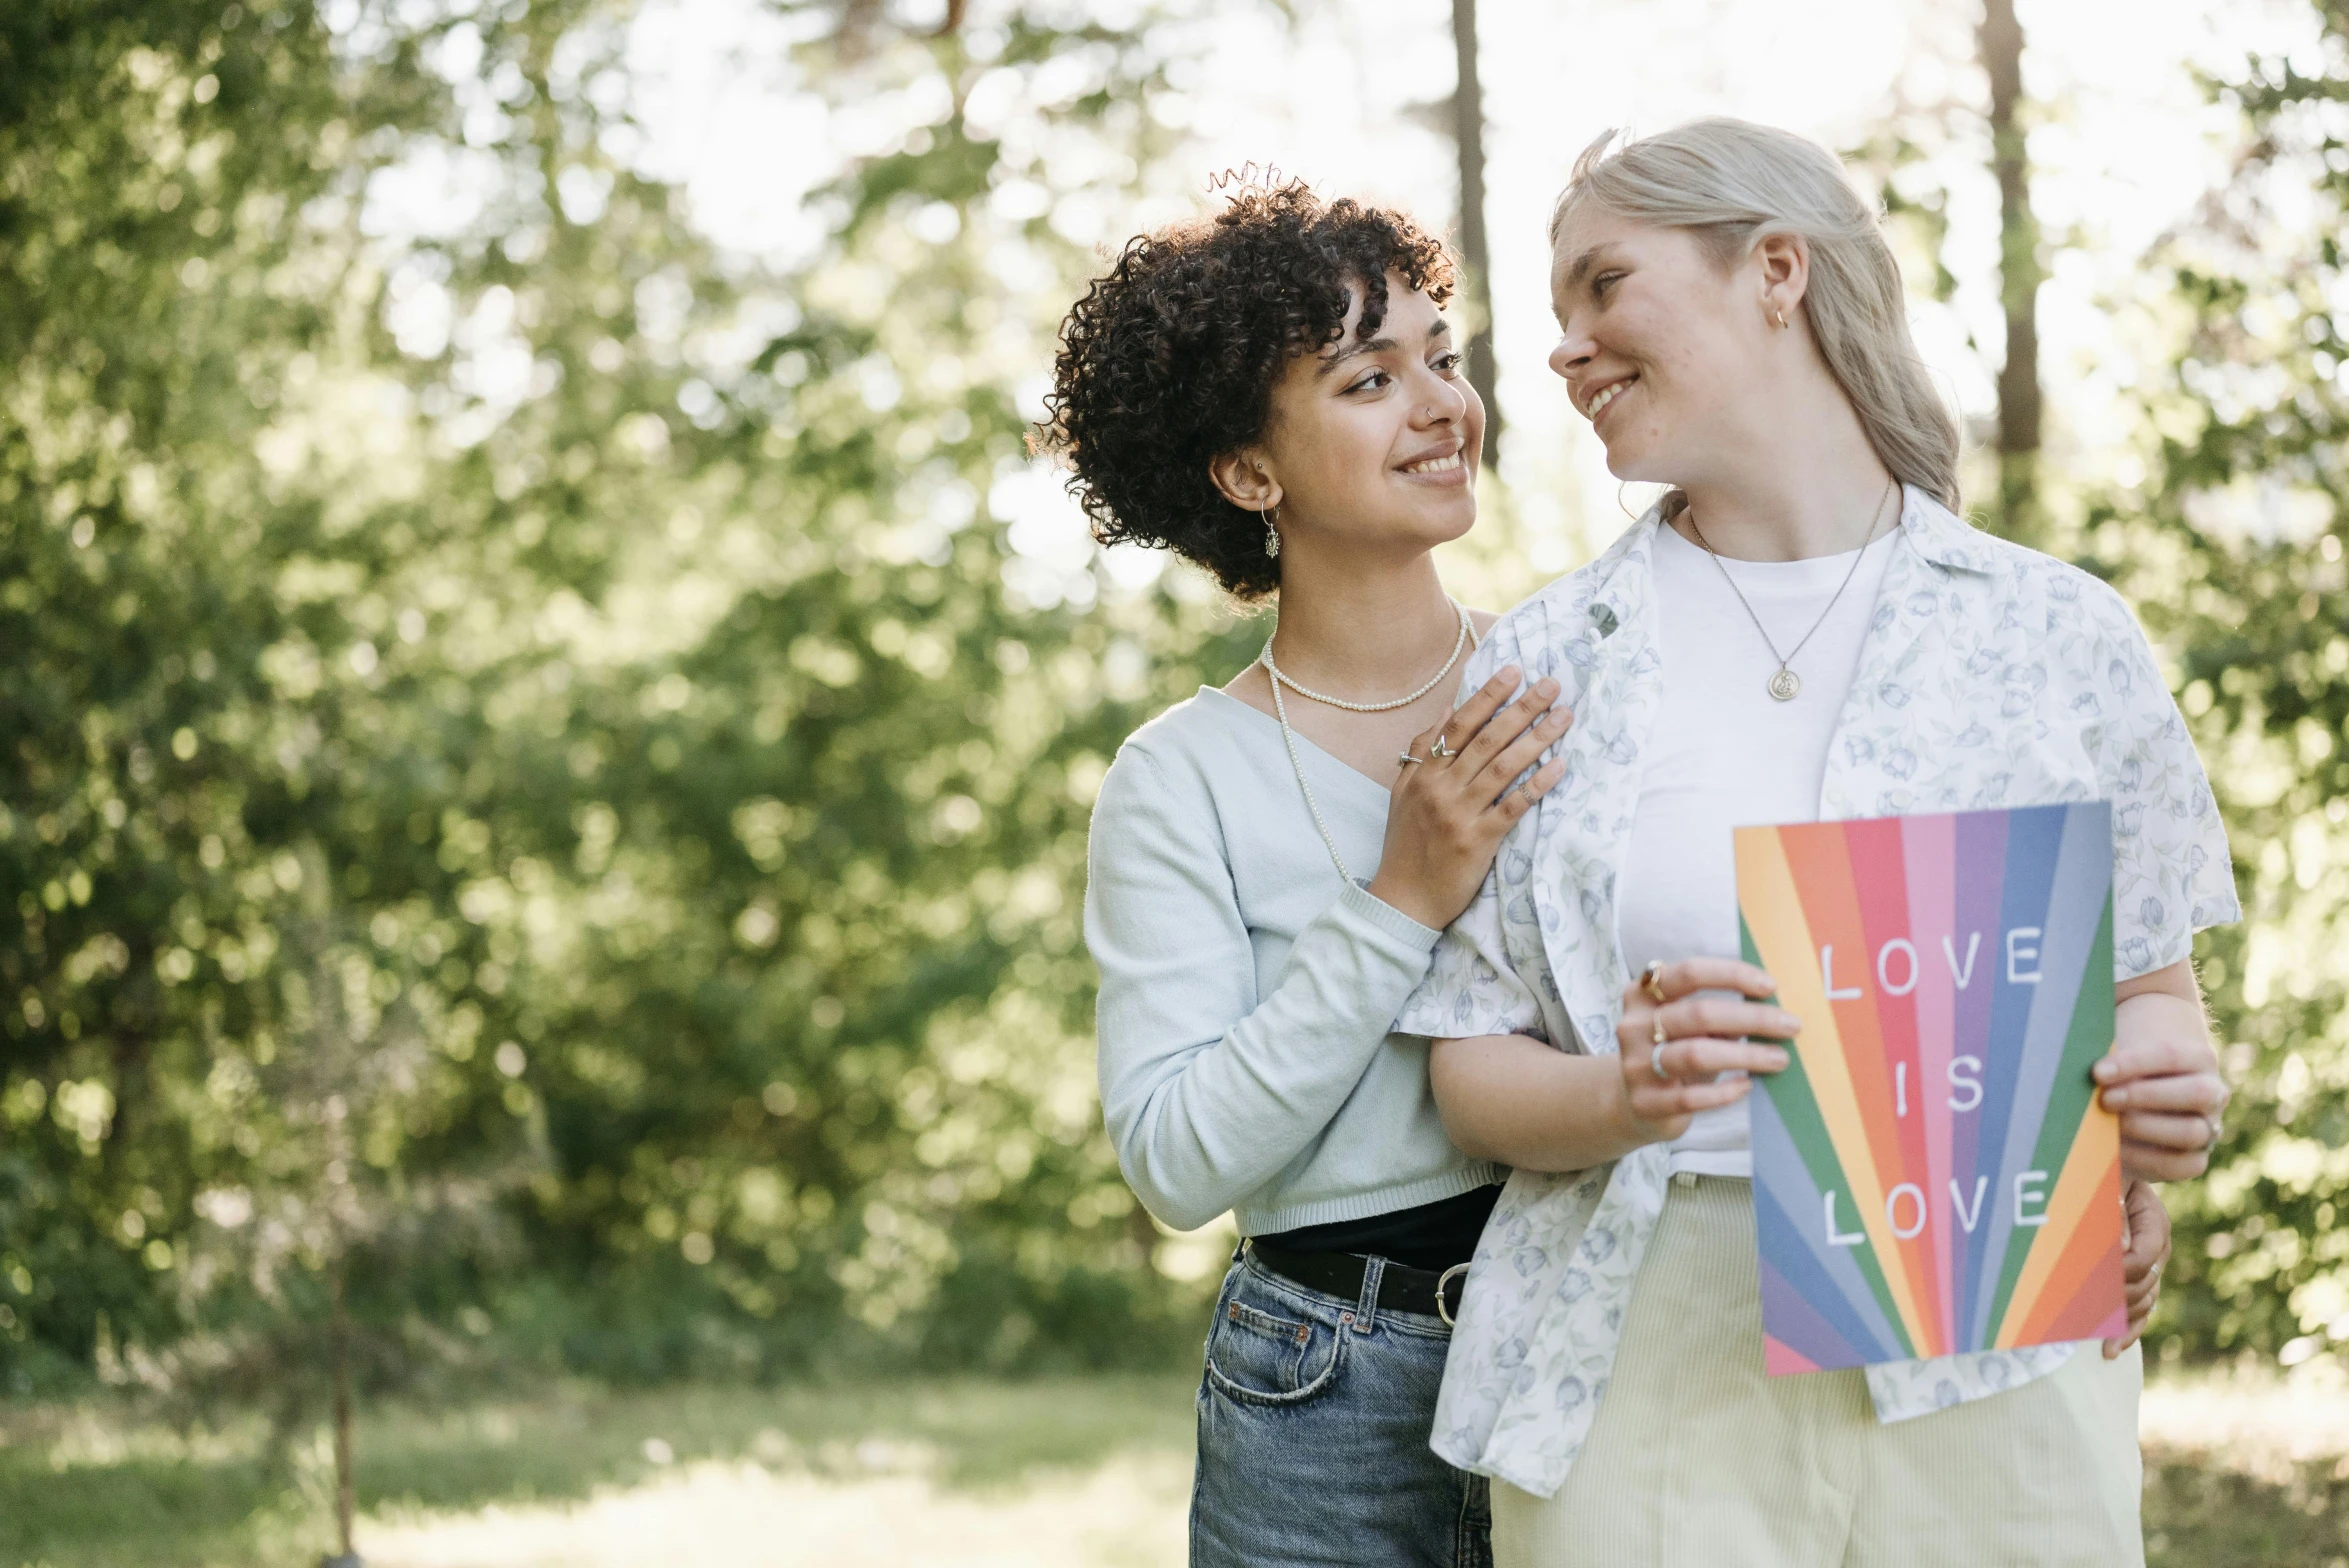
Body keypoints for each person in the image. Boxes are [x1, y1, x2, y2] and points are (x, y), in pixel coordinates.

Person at [1395, 118, 2233, 1568]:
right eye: (1558, 314)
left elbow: (2157, 1002)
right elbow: (1467, 1064)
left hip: (2001, 1337)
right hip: (1643, 1342)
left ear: (1775, 268)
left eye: (1605, 285)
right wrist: (1625, 1090)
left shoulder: (2054, 634)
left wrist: (2169, 1092)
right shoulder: (1540, 668)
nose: (1566, 349)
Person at [1045, 182, 1571, 1568]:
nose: (1441, 405)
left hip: (1583, 1329)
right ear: (1248, 472)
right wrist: (1403, 892)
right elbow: (1176, 1159)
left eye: (1441, 359)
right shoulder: (1180, 780)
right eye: (1367, 378)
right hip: (1324, 1388)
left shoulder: (1572, 681)